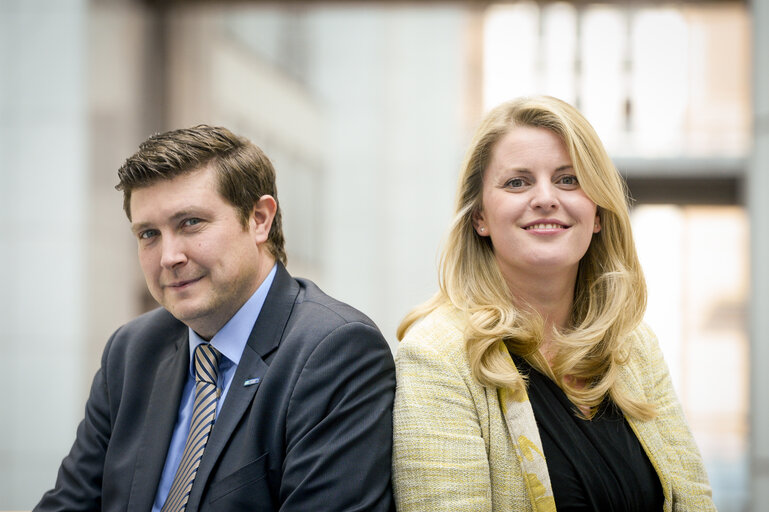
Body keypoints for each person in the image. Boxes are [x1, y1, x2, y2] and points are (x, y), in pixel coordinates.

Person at [35, 125, 396, 511]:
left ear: (259, 218)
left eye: (190, 223)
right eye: (148, 234)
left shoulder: (336, 352)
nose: (168, 256)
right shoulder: (131, 350)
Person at [392, 96, 715, 510]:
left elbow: (695, 501)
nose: (545, 198)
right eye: (517, 182)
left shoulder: (633, 345)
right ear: (480, 218)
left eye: (568, 180)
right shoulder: (436, 356)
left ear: (597, 213)